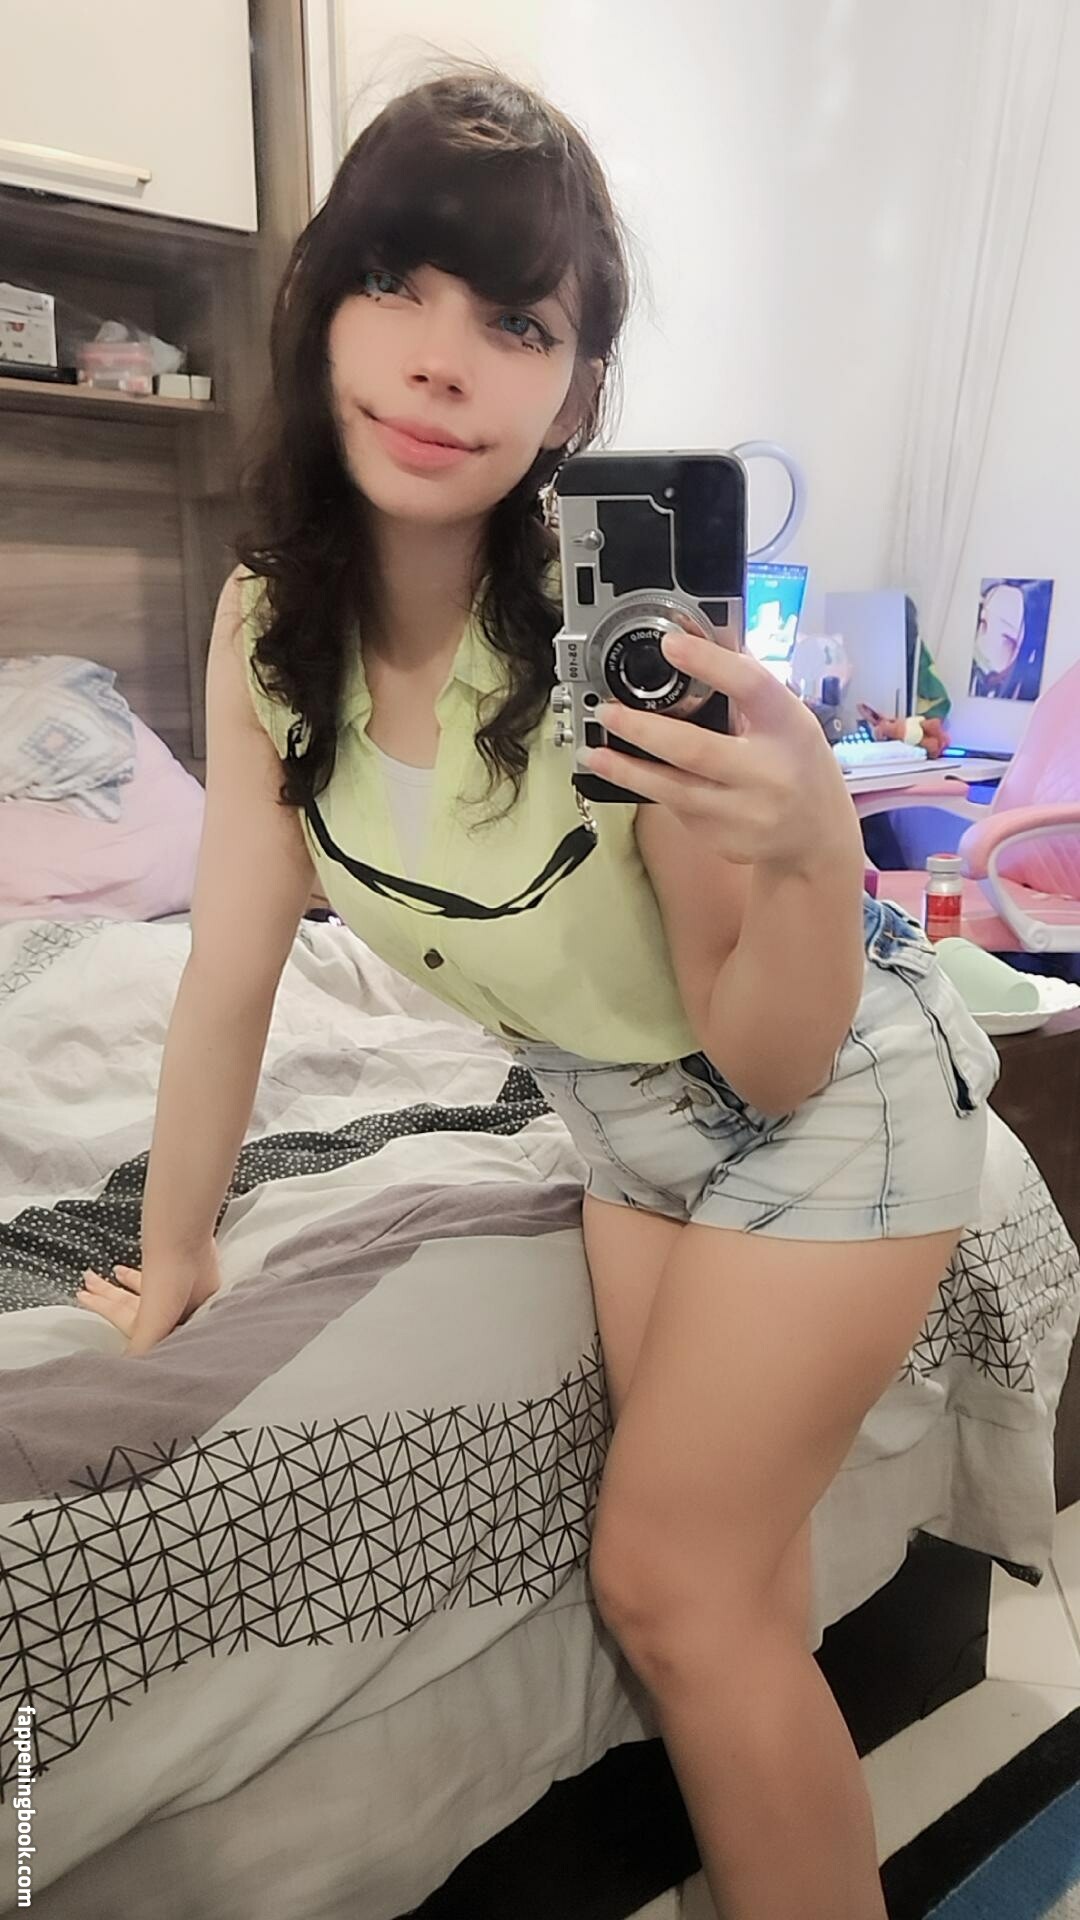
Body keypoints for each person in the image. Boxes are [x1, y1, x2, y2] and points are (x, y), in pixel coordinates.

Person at [75, 67, 1002, 1920]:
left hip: (827, 1099)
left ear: (575, 396)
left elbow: (770, 1055)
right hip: (611, 1125)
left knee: (671, 1582)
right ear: (316, 305)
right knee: (723, 1602)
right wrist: (178, 1249)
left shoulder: (610, 638)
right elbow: (233, 968)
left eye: (516, 324)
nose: (442, 363)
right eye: (395, 284)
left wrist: (813, 843)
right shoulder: (270, 622)